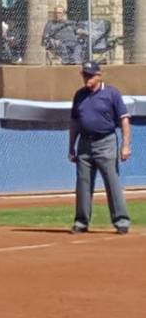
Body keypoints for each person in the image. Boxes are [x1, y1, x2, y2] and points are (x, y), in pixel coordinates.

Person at [68, 61, 132, 235]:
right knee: (83, 184)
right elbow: (74, 122)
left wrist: (126, 146)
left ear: (98, 75)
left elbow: (124, 120)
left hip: (106, 142)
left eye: (90, 75)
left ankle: (121, 221)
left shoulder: (111, 93)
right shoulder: (79, 95)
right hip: (84, 143)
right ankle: (81, 222)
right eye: (84, 74)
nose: (86, 78)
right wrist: (71, 146)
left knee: (112, 182)